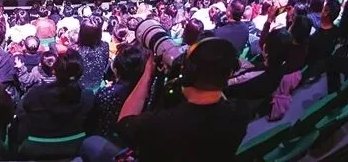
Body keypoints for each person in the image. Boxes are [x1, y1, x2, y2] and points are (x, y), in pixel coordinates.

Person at [80, 38, 248, 162]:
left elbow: (124, 123)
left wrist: (147, 74)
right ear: (229, 73)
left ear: (187, 71)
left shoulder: (161, 124)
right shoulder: (240, 112)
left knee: (91, 143)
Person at [13, 49, 94, 144]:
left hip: (39, 144)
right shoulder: (88, 96)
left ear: (54, 71)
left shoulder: (35, 93)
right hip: (75, 144)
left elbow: (20, 114)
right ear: (81, 73)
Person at [87, 44, 145, 138]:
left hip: (103, 137)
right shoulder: (145, 91)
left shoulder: (107, 93)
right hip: (128, 138)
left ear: (116, 69)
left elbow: (93, 119)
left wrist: (106, 89)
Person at [77, 16, 109, 91]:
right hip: (97, 83)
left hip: (80, 87)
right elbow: (105, 64)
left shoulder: (75, 50)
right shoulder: (105, 46)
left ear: (81, 33)